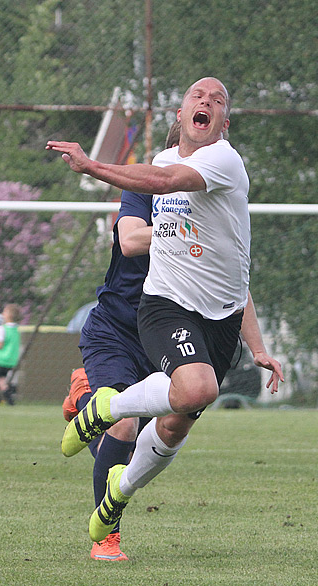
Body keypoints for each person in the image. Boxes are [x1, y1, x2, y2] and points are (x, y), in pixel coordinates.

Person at [48, 76, 284, 543]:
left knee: (177, 421)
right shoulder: (157, 171)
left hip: (213, 321)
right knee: (183, 395)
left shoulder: (222, 162)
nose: (206, 103)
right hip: (147, 314)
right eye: (197, 97)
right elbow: (135, 228)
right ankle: (107, 520)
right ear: (179, 117)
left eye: (216, 100)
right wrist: (95, 168)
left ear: (224, 123)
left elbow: (236, 278)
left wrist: (256, 346)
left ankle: (121, 489)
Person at [58, 122, 181, 561]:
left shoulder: (213, 204)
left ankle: (85, 400)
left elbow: (234, 279)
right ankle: (105, 537)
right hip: (115, 329)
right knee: (124, 425)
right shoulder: (141, 193)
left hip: (163, 338)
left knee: (151, 443)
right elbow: (130, 241)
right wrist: (185, 233)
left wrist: (258, 348)